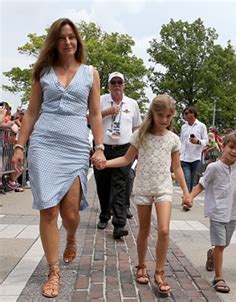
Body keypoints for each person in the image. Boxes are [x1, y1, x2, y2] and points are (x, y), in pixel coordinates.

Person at [11, 18, 105, 298]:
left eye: (72, 37)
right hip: (44, 142)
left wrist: (98, 146)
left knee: (70, 212)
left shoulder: (90, 73)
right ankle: (53, 271)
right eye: (62, 37)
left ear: (77, 41)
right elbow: (31, 111)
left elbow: (96, 114)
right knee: (49, 209)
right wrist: (19, 145)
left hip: (76, 143)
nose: (68, 42)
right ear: (55, 41)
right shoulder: (42, 71)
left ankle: (72, 236)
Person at [96, 94, 191, 294]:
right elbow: (126, 159)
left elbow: (177, 167)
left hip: (163, 187)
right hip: (144, 188)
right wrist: (106, 163)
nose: (164, 120)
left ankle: (159, 271)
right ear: (152, 114)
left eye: (168, 116)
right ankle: (141, 266)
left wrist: (185, 191)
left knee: (164, 230)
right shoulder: (140, 136)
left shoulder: (173, 139)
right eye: (160, 115)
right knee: (144, 230)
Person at [185, 132, 236, 293]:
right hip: (217, 211)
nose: (234, 152)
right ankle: (218, 277)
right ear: (223, 147)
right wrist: (189, 197)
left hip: (233, 212)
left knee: (224, 244)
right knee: (220, 244)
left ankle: (212, 254)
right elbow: (201, 185)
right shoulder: (213, 167)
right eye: (231, 147)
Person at [94, 71, 142, 238]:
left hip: (124, 149)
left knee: (120, 186)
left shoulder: (132, 104)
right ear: (108, 85)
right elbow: (89, 119)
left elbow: (137, 128)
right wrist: (107, 112)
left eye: (119, 82)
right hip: (103, 148)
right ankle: (104, 215)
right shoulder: (100, 100)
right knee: (103, 185)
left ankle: (119, 224)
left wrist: (137, 149)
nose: (116, 85)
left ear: (124, 85)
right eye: (113, 82)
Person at [179, 106, 208, 210]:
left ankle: (188, 199)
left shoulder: (201, 126)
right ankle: (186, 199)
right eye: (184, 114)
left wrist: (198, 141)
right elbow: (181, 141)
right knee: (186, 178)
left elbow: (206, 141)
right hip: (184, 157)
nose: (185, 115)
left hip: (195, 156)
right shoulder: (183, 127)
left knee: (192, 179)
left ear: (193, 114)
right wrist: (179, 152)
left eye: (187, 113)